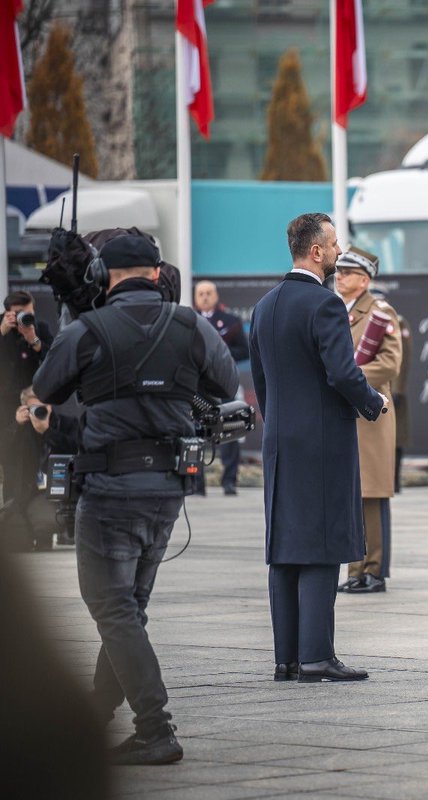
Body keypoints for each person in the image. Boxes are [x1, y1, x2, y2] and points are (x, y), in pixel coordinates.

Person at [32, 231, 239, 765]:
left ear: (104, 275)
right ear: (155, 272)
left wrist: (77, 316)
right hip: (167, 490)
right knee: (128, 607)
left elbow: (47, 387)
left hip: (108, 491)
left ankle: (156, 728)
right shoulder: (190, 323)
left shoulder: (88, 328)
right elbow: (225, 384)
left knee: (111, 606)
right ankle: (97, 718)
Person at [250, 213, 388, 684]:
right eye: (333, 245)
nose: (337, 251)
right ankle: (316, 658)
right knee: (323, 548)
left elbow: (262, 382)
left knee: (285, 549)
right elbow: (343, 373)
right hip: (322, 443)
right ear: (316, 252)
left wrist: (281, 425)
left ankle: (286, 659)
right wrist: (374, 403)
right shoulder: (324, 304)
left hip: (281, 443)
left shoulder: (265, 305)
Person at [333, 247, 403, 594]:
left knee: (371, 495)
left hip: (370, 415)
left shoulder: (379, 312)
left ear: (364, 279)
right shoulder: (336, 310)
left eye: (347, 272)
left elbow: (390, 364)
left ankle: (373, 570)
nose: (339, 276)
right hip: (345, 415)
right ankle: (355, 569)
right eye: (339, 271)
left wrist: (349, 377)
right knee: (351, 493)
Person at [2, 387, 79, 548]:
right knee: (14, 538)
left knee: (45, 522)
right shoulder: (22, 428)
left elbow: (75, 448)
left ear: (50, 406)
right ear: (25, 409)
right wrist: (16, 425)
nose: (39, 412)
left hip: (53, 495)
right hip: (23, 495)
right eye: (33, 409)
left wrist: (47, 432)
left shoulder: (66, 424)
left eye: (42, 408)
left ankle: (43, 534)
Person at [2, 291, 53, 527]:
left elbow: (54, 362)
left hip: (36, 402)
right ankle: (13, 522)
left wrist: (33, 339)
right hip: (5, 405)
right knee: (11, 462)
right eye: (19, 314)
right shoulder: (1, 329)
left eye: (28, 313)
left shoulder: (39, 328)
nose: (25, 318)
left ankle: (37, 521)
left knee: (36, 461)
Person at [193, 281, 249, 496]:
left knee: (230, 430)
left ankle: (229, 482)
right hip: (197, 387)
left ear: (216, 296)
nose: (205, 297)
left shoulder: (231, 321)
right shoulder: (188, 321)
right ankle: (197, 484)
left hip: (224, 383)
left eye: (209, 293)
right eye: (201, 293)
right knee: (195, 433)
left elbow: (244, 351)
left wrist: (220, 356)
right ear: (195, 297)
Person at [390, 313, 413, 493]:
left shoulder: (397, 321)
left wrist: (397, 389)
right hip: (370, 387)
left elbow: (403, 357)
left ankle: (395, 480)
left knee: (396, 438)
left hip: (392, 390)